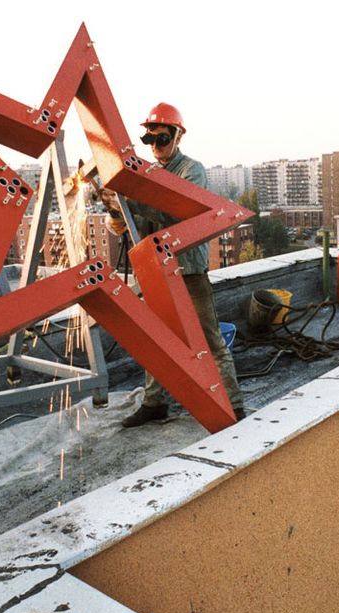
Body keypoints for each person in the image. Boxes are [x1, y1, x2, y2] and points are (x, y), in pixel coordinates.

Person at [102, 102, 245, 427]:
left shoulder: (191, 171)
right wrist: (116, 208)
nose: (155, 146)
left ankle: (234, 408)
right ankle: (154, 403)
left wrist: (133, 198)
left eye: (162, 139)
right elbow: (121, 227)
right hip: (154, 272)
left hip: (187, 270)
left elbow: (178, 212)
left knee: (210, 341)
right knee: (158, 341)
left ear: (178, 136)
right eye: (149, 140)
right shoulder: (143, 174)